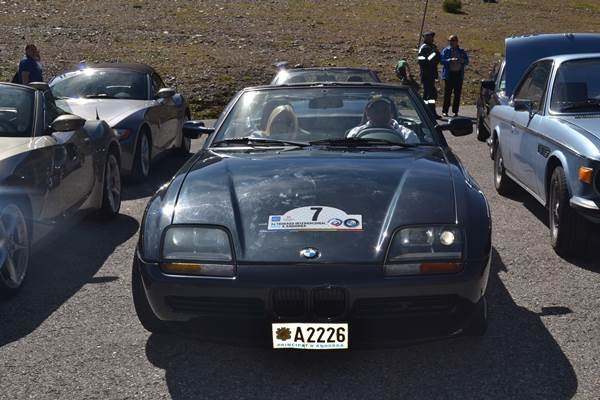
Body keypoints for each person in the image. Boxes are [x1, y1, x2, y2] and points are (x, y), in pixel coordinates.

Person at [347, 97, 419, 144]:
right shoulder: (355, 133)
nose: (381, 115)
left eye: (385, 111)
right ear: (368, 113)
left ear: (391, 113)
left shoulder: (407, 134)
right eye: (376, 111)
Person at [440, 35, 469, 117]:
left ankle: (455, 111)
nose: (451, 42)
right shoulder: (446, 50)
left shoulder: (461, 51)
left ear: (456, 42)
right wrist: (450, 60)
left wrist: (461, 60)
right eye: (450, 41)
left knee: (457, 94)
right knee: (447, 94)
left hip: (458, 74)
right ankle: (445, 111)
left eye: (453, 41)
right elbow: (441, 61)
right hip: (449, 75)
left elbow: (467, 61)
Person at [417, 31, 440, 118]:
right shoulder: (424, 48)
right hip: (427, 74)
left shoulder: (432, 47)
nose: (432, 38)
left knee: (429, 94)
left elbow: (437, 58)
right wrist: (434, 54)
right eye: (430, 37)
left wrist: (435, 54)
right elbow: (424, 61)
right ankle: (429, 113)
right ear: (426, 38)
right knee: (430, 94)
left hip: (431, 74)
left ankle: (428, 112)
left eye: (432, 37)